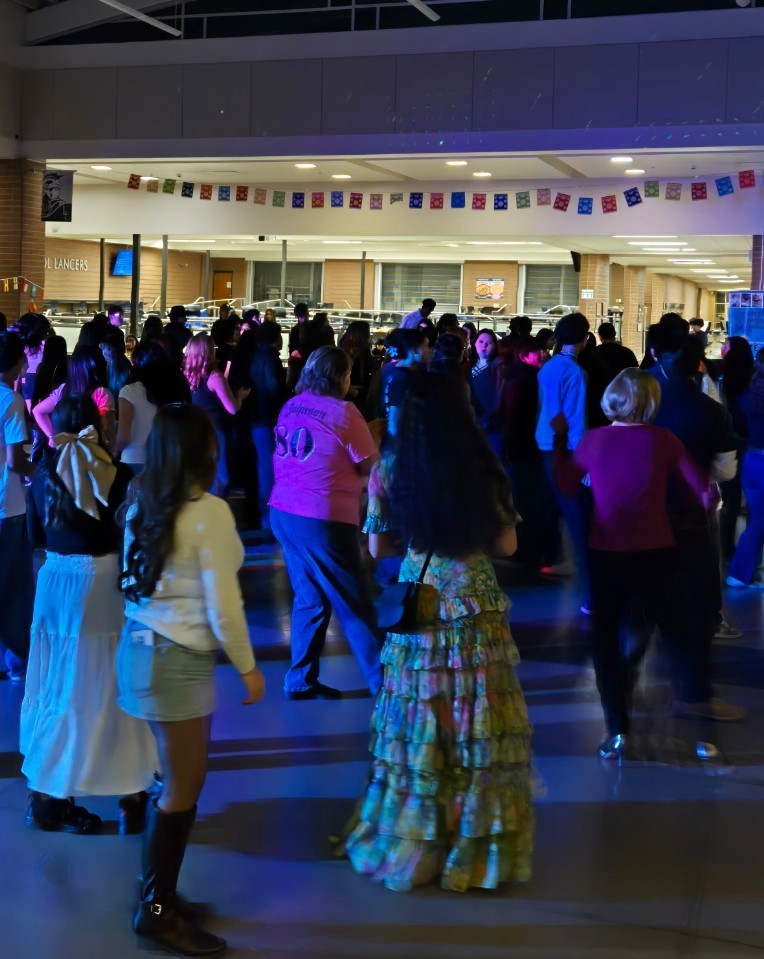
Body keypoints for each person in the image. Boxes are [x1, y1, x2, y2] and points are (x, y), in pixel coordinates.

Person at [343, 371, 532, 892]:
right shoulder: (484, 467)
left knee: (423, 718)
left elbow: (379, 549)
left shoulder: (392, 467)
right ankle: (474, 848)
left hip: (419, 604)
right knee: (476, 722)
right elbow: (509, 545)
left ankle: (419, 840)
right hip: (473, 601)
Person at [117, 403, 265, 956]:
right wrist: (248, 668)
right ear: (204, 451)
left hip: (142, 652)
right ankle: (156, 912)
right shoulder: (208, 512)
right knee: (182, 788)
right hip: (173, 659)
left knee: (174, 785)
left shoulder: (141, 503)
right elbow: (224, 604)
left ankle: (159, 898)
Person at [552, 370, 721, 758]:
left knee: (606, 640)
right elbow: (703, 492)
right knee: (680, 632)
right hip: (657, 550)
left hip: (607, 551)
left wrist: (560, 437)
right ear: (650, 402)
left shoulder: (594, 441)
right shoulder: (663, 440)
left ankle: (618, 731)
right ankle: (695, 711)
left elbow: (564, 482)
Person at [21, 394, 157, 834]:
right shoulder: (116, 476)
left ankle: (50, 796)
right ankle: (130, 794)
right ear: (98, 426)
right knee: (103, 685)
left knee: (59, 683)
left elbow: (35, 536)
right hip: (99, 584)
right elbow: (127, 534)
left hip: (56, 582)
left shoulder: (42, 476)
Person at [269, 346, 382, 699]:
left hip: (284, 511)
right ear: (341, 378)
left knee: (309, 598)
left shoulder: (293, 404)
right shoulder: (345, 412)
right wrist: (375, 433)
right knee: (355, 604)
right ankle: (387, 686)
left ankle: (300, 678)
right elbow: (371, 466)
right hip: (322, 519)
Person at [650, 328, 742, 722]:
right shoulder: (708, 409)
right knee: (699, 604)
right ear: (699, 366)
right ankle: (694, 693)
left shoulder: (642, 405)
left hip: (641, 516)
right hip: (691, 517)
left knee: (650, 602)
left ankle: (628, 706)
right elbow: (724, 468)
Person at [535, 312, 591, 605]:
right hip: (567, 447)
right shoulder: (575, 372)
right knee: (577, 513)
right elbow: (576, 416)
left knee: (554, 503)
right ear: (583, 339)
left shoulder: (547, 368)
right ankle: (589, 585)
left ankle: (547, 557)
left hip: (545, 442)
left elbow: (545, 406)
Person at [501, 338, 558, 569]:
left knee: (522, 501)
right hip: (526, 448)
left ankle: (523, 549)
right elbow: (528, 415)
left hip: (513, 449)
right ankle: (534, 552)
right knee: (533, 502)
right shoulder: (529, 378)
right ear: (525, 356)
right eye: (538, 352)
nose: (543, 355)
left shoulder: (509, 376)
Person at [0, 332, 35, 681]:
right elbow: (15, 462)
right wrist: (38, 471)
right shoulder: (11, 400)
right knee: (15, 588)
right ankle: (18, 662)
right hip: (7, 505)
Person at [184, 333, 249, 497]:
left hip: (195, 431)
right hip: (215, 431)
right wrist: (240, 396)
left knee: (201, 474)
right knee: (220, 475)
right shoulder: (215, 377)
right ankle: (214, 511)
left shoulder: (189, 375)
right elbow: (232, 408)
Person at [117, 341, 190, 475]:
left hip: (134, 459)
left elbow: (124, 437)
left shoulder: (129, 392)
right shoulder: (175, 389)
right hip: (166, 457)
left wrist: (109, 449)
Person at [727, 347, 764, 588]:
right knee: (760, 522)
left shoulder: (749, 394)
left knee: (758, 519)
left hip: (752, 459)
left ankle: (745, 570)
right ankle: (739, 573)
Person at [34, 344, 116, 450]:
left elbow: (38, 411)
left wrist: (52, 436)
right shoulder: (101, 393)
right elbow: (108, 432)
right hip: (91, 454)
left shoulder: (63, 389)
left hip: (65, 453)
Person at [718, 336, 754, 562]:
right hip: (751, 444)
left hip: (727, 444)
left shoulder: (723, 381)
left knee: (729, 500)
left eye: (726, 345)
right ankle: (749, 555)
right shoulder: (753, 382)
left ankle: (727, 551)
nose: (722, 347)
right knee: (752, 502)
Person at [248, 321, 287, 530]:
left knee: (263, 465)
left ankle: (264, 511)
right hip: (269, 417)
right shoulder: (271, 357)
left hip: (257, 417)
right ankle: (268, 513)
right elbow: (274, 386)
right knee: (269, 468)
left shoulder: (255, 355)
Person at [29, 334, 68, 461]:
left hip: (42, 411)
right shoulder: (64, 368)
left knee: (40, 452)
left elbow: (37, 391)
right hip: (56, 413)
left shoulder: (42, 367)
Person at [470, 329, 503, 458]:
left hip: (492, 425)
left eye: (489, 343)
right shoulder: (466, 366)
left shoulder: (499, 368)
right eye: (481, 341)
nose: (484, 345)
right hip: (471, 424)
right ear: (474, 343)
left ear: (494, 346)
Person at [12, 311, 51, 413]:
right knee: (32, 405)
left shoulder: (19, 343)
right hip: (34, 376)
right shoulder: (43, 344)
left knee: (29, 404)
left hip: (29, 376)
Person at [101, 328, 132, 405]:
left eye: (107, 348)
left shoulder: (123, 368)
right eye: (103, 349)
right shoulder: (111, 364)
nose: (104, 352)